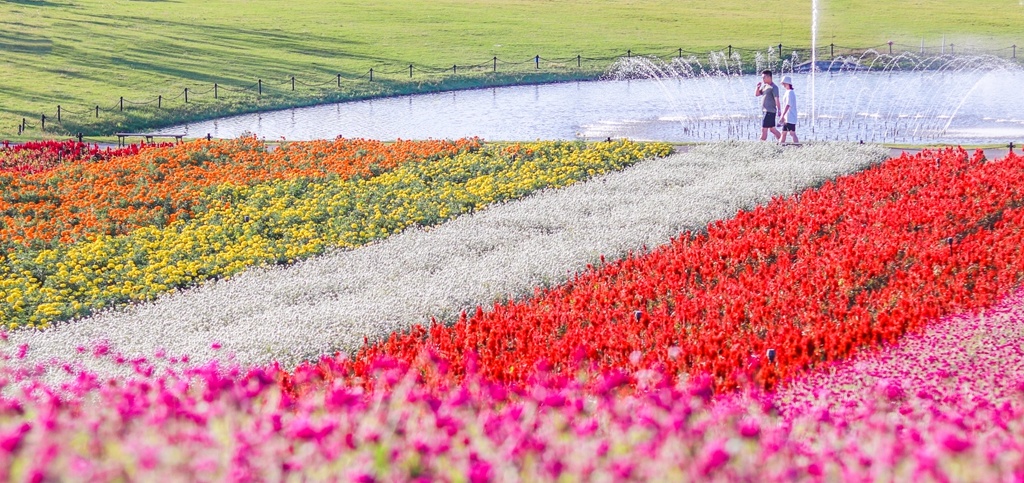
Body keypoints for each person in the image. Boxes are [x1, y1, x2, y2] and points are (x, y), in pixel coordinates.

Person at [754, 70, 781, 141]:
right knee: (772, 129)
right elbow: (757, 94)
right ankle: (782, 141)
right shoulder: (765, 86)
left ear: (769, 77)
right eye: (762, 78)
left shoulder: (774, 87)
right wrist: (758, 87)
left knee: (764, 129)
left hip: (769, 111)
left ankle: (760, 145)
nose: (763, 79)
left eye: (764, 77)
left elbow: (777, 99)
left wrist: (779, 110)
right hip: (765, 111)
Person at [779, 75, 799, 144]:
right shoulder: (788, 92)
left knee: (792, 133)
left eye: (784, 83)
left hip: (790, 116)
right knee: (784, 133)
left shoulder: (790, 92)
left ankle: (797, 146)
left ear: (787, 83)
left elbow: (788, 105)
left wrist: (782, 115)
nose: (783, 85)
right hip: (787, 117)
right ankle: (780, 145)